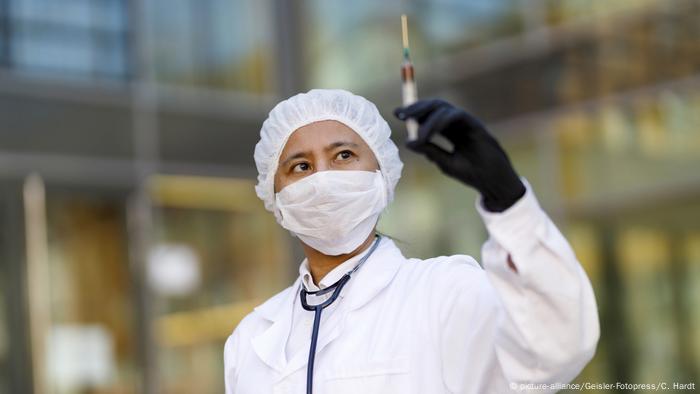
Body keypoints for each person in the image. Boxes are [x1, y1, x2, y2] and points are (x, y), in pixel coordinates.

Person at [224, 89, 599, 393]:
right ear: (274, 194)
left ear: (382, 174)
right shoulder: (251, 339)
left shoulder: (444, 294)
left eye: (343, 155)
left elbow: (554, 352)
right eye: (300, 166)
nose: (323, 179)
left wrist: (508, 200)